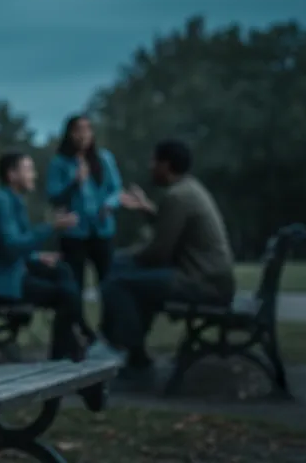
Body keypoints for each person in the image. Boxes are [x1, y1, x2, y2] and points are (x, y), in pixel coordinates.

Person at [96, 139, 236, 375]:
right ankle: (128, 349)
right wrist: (147, 210)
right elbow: (170, 230)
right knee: (123, 272)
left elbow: (158, 253)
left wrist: (126, 258)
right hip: (209, 279)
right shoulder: (189, 189)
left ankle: (124, 350)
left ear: (166, 165)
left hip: (201, 283)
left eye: (154, 161)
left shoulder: (178, 196)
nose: (150, 166)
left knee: (118, 282)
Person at [0, 150, 89, 361]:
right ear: (12, 174)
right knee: (65, 295)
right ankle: (65, 354)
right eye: (28, 169)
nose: (33, 175)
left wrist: (36, 257)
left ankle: (76, 341)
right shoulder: (0, 203)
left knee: (62, 271)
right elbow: (12, 247)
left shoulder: (12, 200)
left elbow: (15, 247)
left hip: (11, 276)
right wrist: (52, 226)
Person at [46, 115, 123, 338]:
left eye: (88, 129)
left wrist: (109, 204)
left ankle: (109, 331)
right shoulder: (59, 163)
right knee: (74, 285)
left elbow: (116, 189)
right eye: (79, 130)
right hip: (74, 233)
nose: (84, 135)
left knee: (108, 283)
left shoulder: (104, 159)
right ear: (70, 134)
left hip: (101, 229)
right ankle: (81, 332)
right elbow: (53, 196)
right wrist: (74, 182)